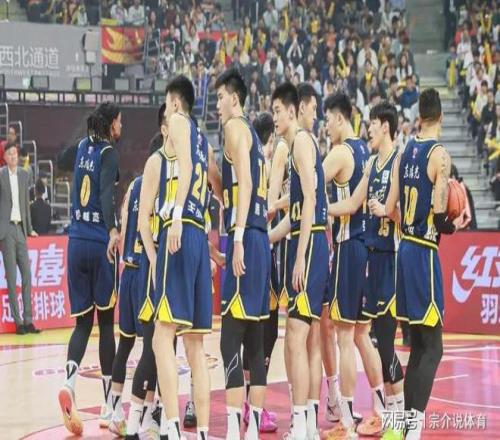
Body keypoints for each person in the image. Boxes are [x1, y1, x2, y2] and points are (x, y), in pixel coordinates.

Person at [373, 88, 466, 439]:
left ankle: (403, 429)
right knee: (435, 347)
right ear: (440, 116)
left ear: (420, 116)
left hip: (404, 250)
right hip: (424, 252)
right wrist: (456, 224)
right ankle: (414, 428)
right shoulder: (439, 155)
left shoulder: (404, 152)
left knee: (419, 347)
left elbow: (390, 208)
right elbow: (441, 218)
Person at [327, 102, 405, 437]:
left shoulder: (400, 161)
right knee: (374, 339)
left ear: (385, 126)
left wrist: (387, 210)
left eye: (372, 123)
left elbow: (405, 215)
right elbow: (351, 203)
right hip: (371, 258)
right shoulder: (371, 162)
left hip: (390, 259)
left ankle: (389, 420)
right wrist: (321, 208)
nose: (368, 128)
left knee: (373, 340)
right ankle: (386, 413)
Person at [150, 75, 213, 440]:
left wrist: (173, 215)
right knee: (195, 346)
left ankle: (172, 427)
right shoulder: (203, 139)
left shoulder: (177, 121)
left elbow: (185, 168)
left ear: (175, 102)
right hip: (199, 236)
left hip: (181, 230)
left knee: (162, 336)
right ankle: (202, 431)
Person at [321, 93, 385, 439]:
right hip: (368, 247)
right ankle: (380, 410)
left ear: (340, 118)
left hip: (348, 247)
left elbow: (310, 185)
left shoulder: (341, 152)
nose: (326, 127)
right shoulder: (364, 150)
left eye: (328, 120)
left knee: (344, 334)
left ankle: (345, 421)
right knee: (362, 335)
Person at [57, 102, 122, 436]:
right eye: (119, 122)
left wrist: (83, 138)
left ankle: (69, 382)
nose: (122, 127)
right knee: (106, 324)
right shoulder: (109, 153)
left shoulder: (82, 147)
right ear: (111, 124)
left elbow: (61, 158)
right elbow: (107, 195)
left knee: (82, 324)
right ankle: (109, 405)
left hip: (75, 244)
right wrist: (113, 230)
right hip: (99, 245)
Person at [269, 82, 328, 440]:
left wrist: (301, 256)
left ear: (293, 111)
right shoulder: (294, 147)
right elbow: (294, 214)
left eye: (277, 111)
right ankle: (305, 422)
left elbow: (310, 201)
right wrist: (265, 238)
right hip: (304, 240)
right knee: (300, 338)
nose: (274, 117)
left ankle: (304, 423)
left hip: (311, 243)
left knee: (296, 337)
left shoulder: (302, 142)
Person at [216, 67, 271, 440]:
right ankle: (251, 430)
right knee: (254, 341)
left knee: (229, 341)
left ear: (234, 98)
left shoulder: (234, 128)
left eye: (221, 97)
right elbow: (238, 184)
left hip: (246, 237)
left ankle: (236, 428)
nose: (217, 104)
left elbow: (246, 184)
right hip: (260, 238)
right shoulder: (252, 134)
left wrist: (235, 239)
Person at [241, 112, 279, 434]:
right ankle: (253, 405)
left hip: (250, 243)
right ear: (271, 137)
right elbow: (265, 209)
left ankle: (247, 403)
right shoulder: (264, 160)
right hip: (259, 247)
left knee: (252, 330)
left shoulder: (250, 156)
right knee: (263, 332)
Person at [107, 175, 144, 437]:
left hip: (127, 271)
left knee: (125, 344)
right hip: (143, 271)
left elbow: (123, 220)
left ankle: (116, 412)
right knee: (155, 346)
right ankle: (149, 414)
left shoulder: (133, 186)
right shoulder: (159, 181)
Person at [0, 144, 39, 335]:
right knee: (12, 277)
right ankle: (18, 323)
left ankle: (29, 320)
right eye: (10, 154)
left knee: (27, 275)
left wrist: (29, 229)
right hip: (6, 230)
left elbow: (25, 204)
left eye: (15, 153)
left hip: (21, 229)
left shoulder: (24, 175)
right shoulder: (0, 175)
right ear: (5, 158)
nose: (13, 156)